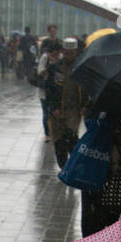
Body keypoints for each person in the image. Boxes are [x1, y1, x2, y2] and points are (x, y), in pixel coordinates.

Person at [46, 38, 84, 169]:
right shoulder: (54, 68)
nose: (69, 56)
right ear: (63, 51)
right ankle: (63, 166)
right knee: (59, 140)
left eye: (72, 53)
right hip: (57, 111)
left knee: (72, 136)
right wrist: (53, 107)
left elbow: (86, 88)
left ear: (76, 52)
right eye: (66, 53)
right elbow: (49, 89)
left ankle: (73, 165)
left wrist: (84, 105)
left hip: (73, 109)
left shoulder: (81, 67)